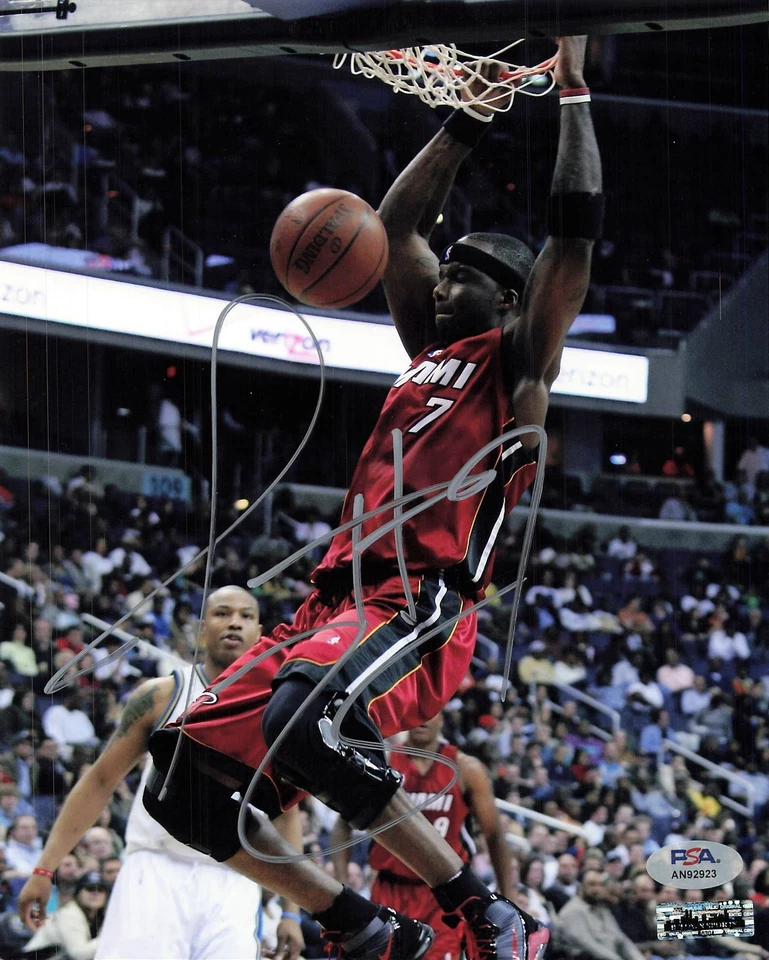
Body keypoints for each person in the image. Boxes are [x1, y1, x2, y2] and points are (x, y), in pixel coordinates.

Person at [145, 34, 601, 960]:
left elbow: (575, 231)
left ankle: (485, 913)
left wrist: (572, 95)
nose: (440, 285)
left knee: (301, 719)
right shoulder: (427, 349)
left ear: (512, 301)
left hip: (418, 599)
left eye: (464, 274)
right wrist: (467, 115)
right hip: (332, 600)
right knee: (178, 785)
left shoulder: (515, 365)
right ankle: (363, 928)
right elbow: (393, 231)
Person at [19, 587, 306, 960]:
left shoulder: (274, 711)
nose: (234, 621)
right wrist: (44, 870)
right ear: (202, 629)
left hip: (233, 878)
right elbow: (100, 781)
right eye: (222, 613)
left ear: (260, 632)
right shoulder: (161, 694)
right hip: (154, 870)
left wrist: (290, 910)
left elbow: (287, 814)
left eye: (245, 616)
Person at [332, 713, 515, 960]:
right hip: (390, 889)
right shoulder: (382, 761)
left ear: (443, 717)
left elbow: (494, 835)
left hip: (445, 900)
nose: (422, 718)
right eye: (418, 711)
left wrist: (509, 898)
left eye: (432, 711)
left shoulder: (466, 769)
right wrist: (343, 887)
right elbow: (343, 825)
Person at [554, 870, 645, 960]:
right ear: (581, 886)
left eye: (600, 885)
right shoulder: (572, 911)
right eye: (592, 884)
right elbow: (588, 945)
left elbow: (621, 939)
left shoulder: (603, 910)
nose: (597, 889)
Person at [24, 869, 109, 959]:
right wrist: (109, 938)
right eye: (90, 889)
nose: (95, 893)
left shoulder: (98, 916)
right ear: (78, 893)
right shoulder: (70, 914)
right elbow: (79, 954)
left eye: (100, 890)